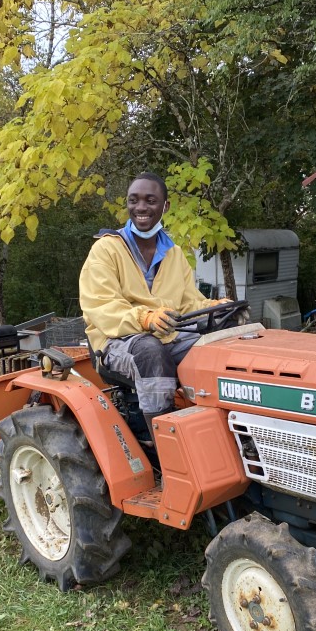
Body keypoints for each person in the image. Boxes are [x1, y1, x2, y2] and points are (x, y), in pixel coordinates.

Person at [79, 171, 234, 434]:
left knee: (220, 347)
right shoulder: (106, 250)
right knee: (150, 352)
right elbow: (101, 307)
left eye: (150, 200)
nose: (141, 207)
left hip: (167, 335)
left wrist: (213, 309)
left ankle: (218, 427)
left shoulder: (174, 253)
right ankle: (164, 443)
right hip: (116, 341)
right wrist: (144, 318)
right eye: (134, 200)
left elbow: (187, 304)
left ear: (165, 206)